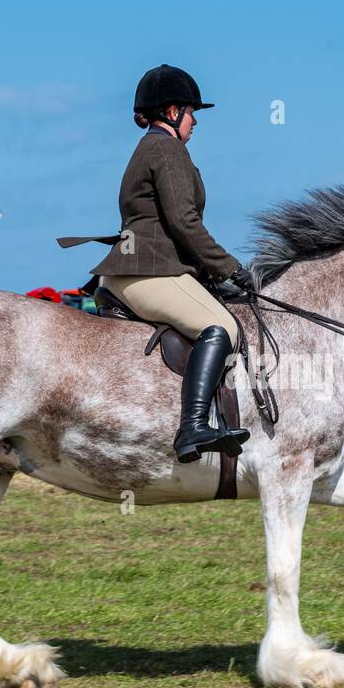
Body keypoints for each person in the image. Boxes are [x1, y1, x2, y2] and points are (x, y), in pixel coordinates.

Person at [90, 64, 251, 464]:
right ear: (173, 112)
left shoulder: (152, 148)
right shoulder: (166, 149)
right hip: (148, 270)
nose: (196, 121)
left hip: (140, 266)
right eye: (192, 112)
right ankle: (193, 426)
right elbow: (184, 222)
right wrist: (229, 267)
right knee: (223, 326)